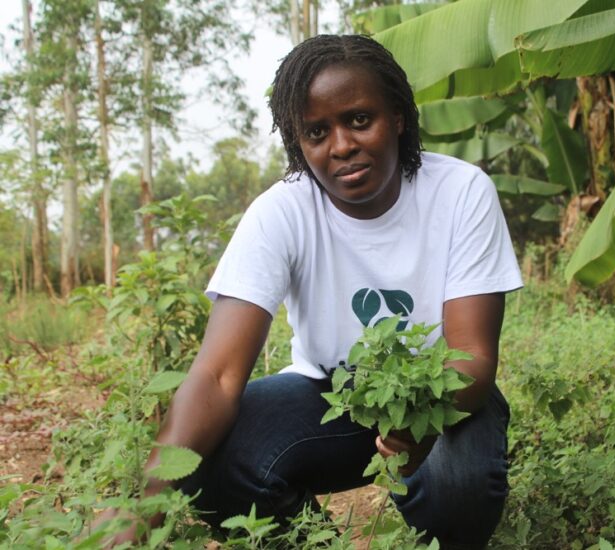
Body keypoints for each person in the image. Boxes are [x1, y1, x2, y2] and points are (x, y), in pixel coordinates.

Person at [109, 34, 522, 549]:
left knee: (455, 480)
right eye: (316, 131)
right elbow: (215, 376)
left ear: (397, 115)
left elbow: (473, 355)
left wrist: (416, 428)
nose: (341, 145)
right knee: (213, 456)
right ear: (297, 144)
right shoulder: (281, 212)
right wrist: (141, 508)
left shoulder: (461, 193)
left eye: (358, 120)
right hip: (331, 397)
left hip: (445, 398)